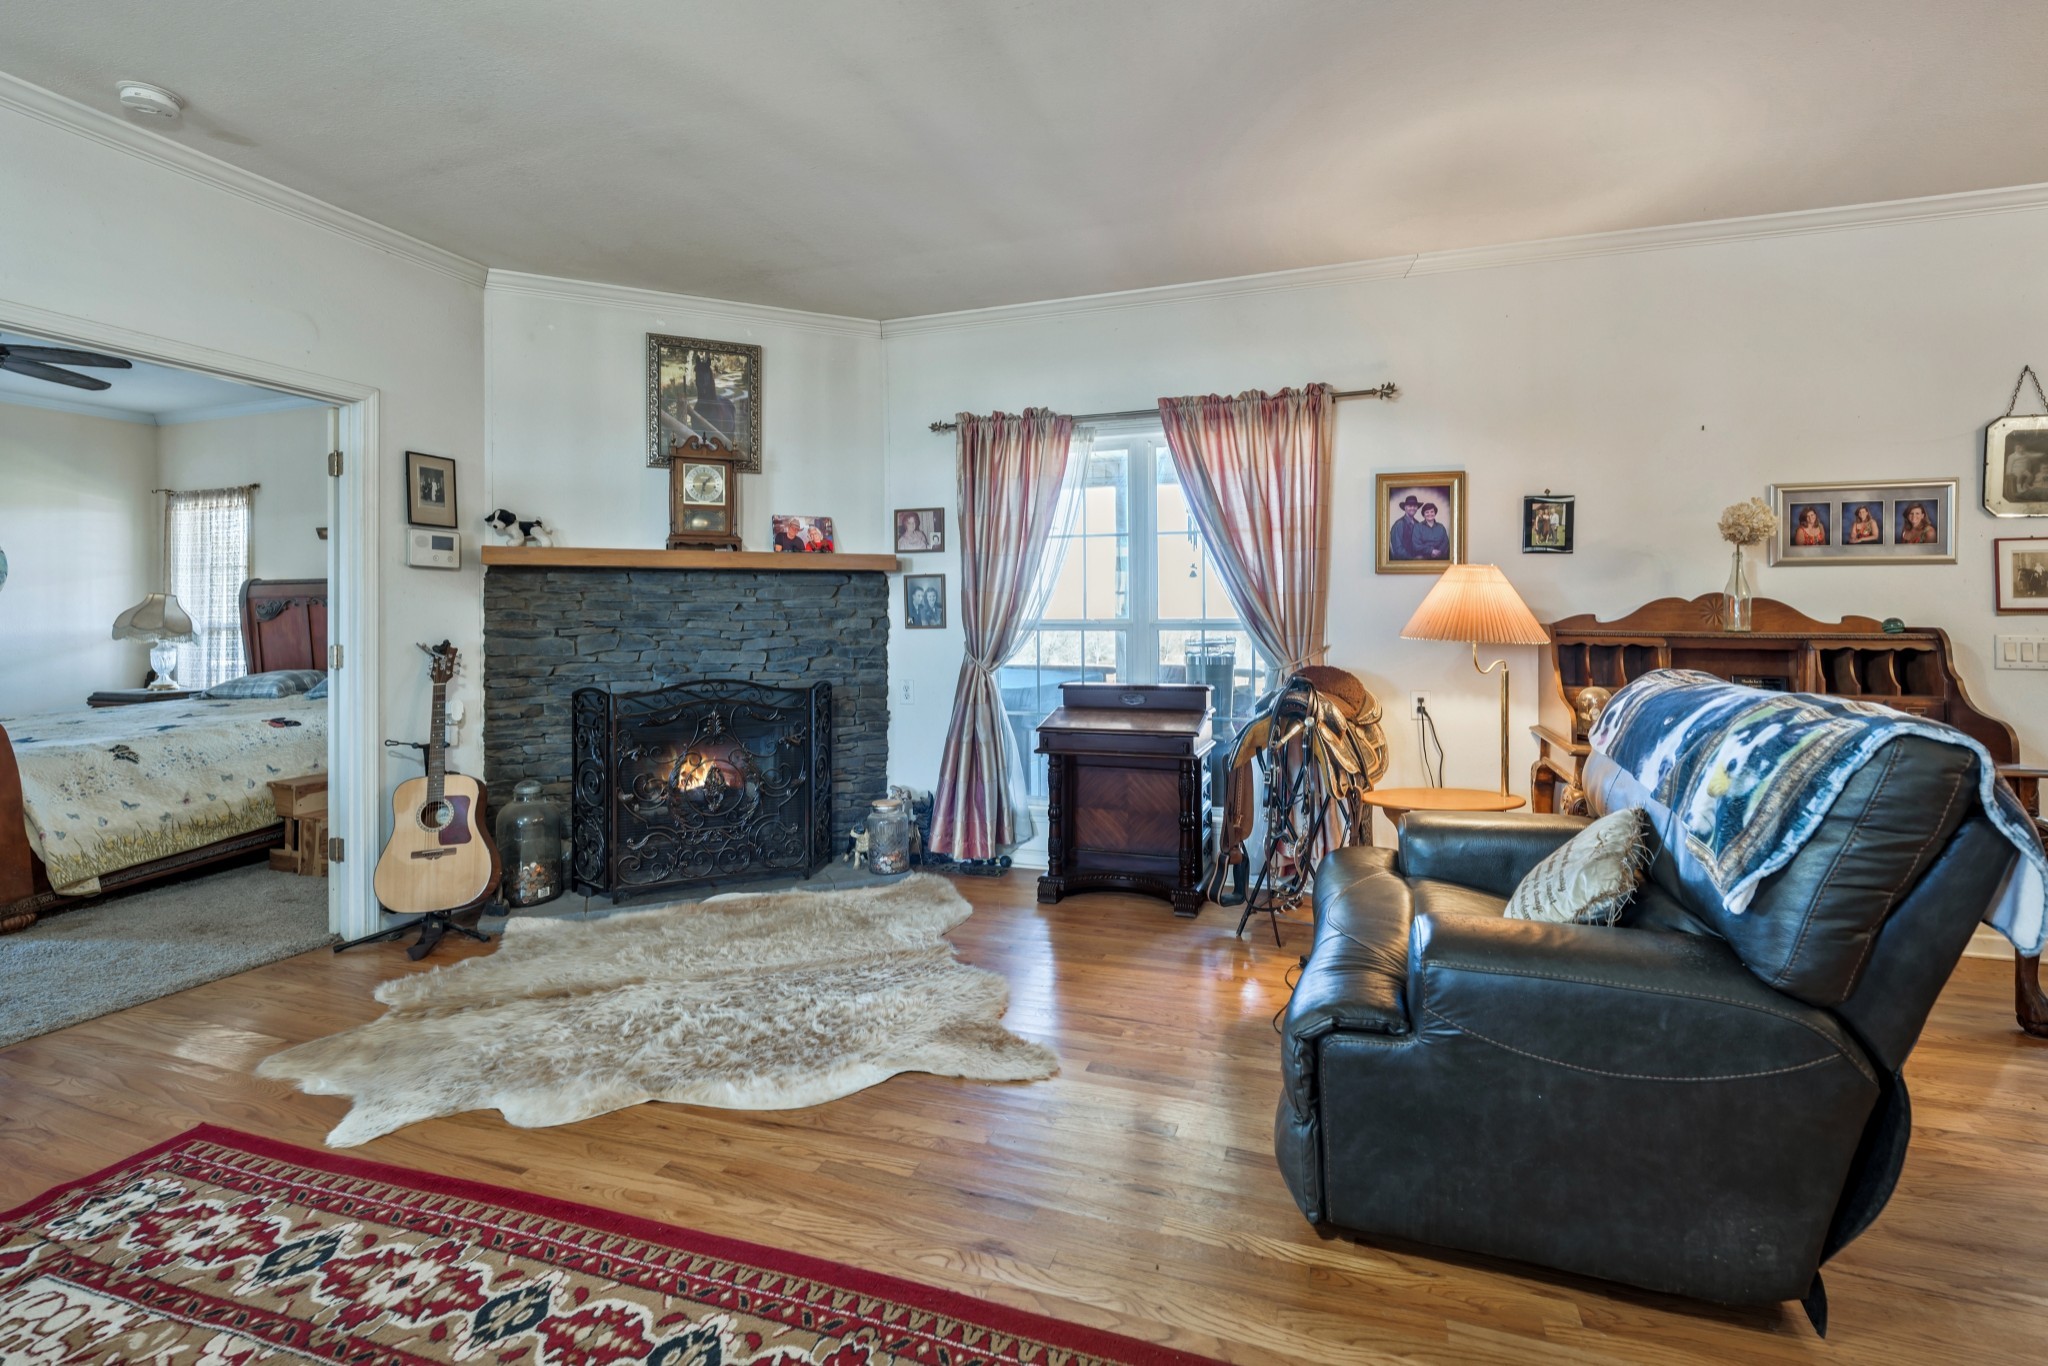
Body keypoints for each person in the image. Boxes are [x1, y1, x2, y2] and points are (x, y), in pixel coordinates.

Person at [1388, 494, 1424, 559]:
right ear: (1405, 507)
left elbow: (1420, 543)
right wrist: (1413, 559)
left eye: (1415, 506)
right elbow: (1397, 549)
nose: (1412, 508)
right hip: (1402, 564)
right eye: (1410, 506)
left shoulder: (1418, 524)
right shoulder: (1399, 524)